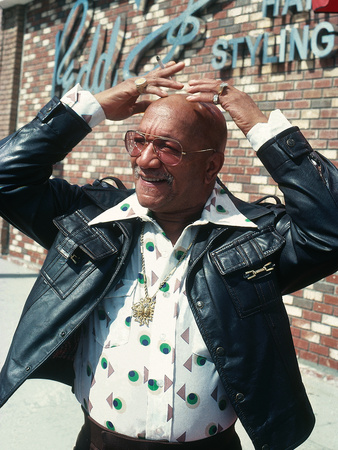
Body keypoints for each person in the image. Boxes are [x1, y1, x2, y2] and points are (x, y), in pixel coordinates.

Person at [0, 60, 337, 450]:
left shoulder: (254, 238)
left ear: (211, 165)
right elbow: (7, 175)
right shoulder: (92, 218)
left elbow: (331, 228)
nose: (144, 159)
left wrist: (259, 125)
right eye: (139, 140)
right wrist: (92, 106)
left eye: (168, 148)